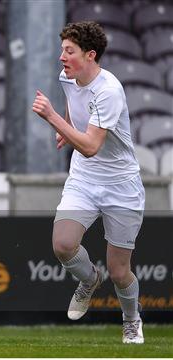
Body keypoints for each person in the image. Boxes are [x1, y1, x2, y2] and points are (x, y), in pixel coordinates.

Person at [32, 21, 145, 344]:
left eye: (69, 51)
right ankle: (90, 279)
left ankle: (132, 319)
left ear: (90, 55)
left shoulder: (109, 90)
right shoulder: (69, 75)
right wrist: (67, 126)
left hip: (121, 184)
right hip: (84, 178)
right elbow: (75, 105)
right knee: (63, 244)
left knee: (120, 271)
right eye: (61, 50)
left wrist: (53, 118)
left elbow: (92, 147)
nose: (61, 57)